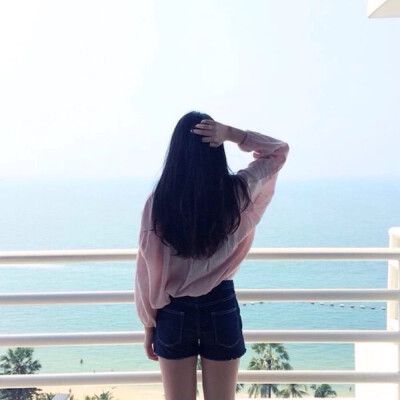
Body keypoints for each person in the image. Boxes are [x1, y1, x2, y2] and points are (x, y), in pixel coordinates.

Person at [134, 111, 290, 400]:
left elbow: (147, 272)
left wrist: (148, 326)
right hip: (220, 305)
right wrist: (230, 134)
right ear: (216, 150)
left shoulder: (158, 203)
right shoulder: (236, 193)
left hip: (173, 311)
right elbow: (278, 151)